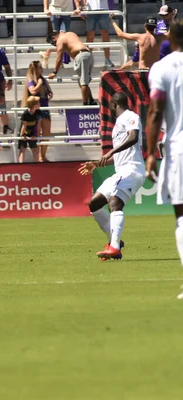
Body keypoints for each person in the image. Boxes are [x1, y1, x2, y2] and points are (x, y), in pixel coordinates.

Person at [79, 92, 144, 261]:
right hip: (120, 171)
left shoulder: (130, 116)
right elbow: (119, 156)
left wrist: (109, 152)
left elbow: (133, 137)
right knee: (94, 204)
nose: (109, 109)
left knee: (114, 202)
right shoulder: (118, 124)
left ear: (114, 104)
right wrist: (97, 163)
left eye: (109, 106)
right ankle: (115, 241)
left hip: (132, 170)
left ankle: (114, 247)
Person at [145, 20, 183, 299]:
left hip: (178, 147)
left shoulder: (162, 68)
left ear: (171, 37)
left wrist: (149, 153)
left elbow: (155, 112)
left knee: (182, 215)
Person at [47, 31, 96, 105]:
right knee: (83, 81)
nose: (54, 45)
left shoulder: (60, 40)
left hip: (81, 56)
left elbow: (59, 58)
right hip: (88, 55)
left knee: (83, 83)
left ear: (54, 38)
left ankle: (85, 105)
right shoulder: (70, 34)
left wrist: (54, 72)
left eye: (52, 43)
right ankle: (91, 100)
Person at [23, 60, 53, 162]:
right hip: (35, 109)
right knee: (36, 133)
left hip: (44, 107)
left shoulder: (43, 79)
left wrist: (49, 93)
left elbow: (48, 91)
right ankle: (37, 157)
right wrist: (39, 83)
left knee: (46, 133)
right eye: (40, 67)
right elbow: (33, 91)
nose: (42, 69)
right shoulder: (31, 79)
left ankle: (42, 156)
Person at [39, 0, 80, 68]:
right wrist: (45, 9)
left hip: (67, 11)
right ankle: (58, 61)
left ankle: (47, 54)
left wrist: (78, 7)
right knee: (56, 37)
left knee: (63, 36)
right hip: (55, 10)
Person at [81, 0, 114, 69]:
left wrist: (111, 8)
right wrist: (83, 8)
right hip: (90, 10)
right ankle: (88, 60)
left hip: (104, 9)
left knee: (105, 34)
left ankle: (107, 59)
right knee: (90, 36)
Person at [18, 96, 41, 163]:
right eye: (38, 103)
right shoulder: (25, 114)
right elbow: (24, 125)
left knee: (34, 149)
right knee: (22, 149)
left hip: (32, 132)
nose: (40, 104)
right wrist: (22, 135)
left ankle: (37, 164)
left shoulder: (38, 112)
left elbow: (38, 124)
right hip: (24, 132)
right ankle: (20, 165)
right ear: (35, 105)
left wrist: (36, 135)